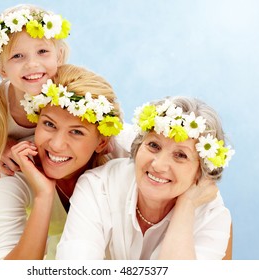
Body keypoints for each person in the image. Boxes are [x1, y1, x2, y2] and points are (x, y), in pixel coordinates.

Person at [56, 96, 235, 260]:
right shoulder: (98, 186)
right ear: (138, 145)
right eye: (153, 145)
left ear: (200, 170)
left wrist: (185, 207)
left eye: (180, 155)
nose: (158, 165)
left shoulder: (211, 217)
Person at [0, 64, 127, 259]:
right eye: (49, 124)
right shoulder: (13, 167)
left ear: (102, 142)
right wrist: (43, 196)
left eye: (76, 132)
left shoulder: (127, 149)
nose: (57, 145)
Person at [0, 4, 71, 186]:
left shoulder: (73, 94)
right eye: (17, 56)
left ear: (59, 56)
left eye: (42, 51)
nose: (32, 64)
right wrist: (1, 144)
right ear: (1, 69)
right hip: (24, 180)